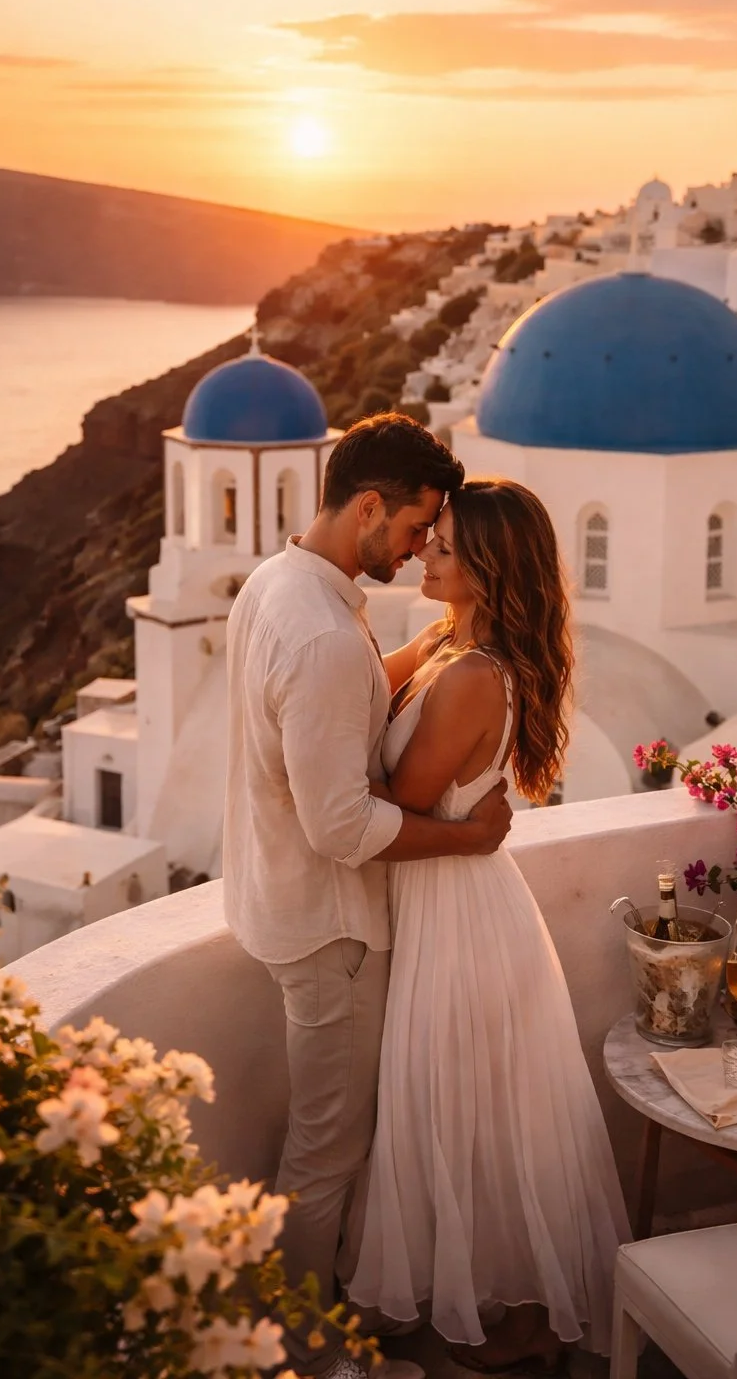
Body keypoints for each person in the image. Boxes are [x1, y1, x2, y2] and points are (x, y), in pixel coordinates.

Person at [222, 416, 514, 1379]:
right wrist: (469, 836)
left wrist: (431, 644)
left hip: (281, 905)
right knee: (326, 1155)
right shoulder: (321, 635)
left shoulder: (281, 583)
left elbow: (342, 711)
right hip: (332, 930)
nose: (420, 547)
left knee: (329, 1145)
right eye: (417, 526)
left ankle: (321, 1329)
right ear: (369, 507)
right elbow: (342, 827)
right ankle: (308, 1358)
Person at [341, 478, 631, 1372]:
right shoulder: (444, 642)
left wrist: (318, 774)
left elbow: (395, 804)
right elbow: (356, 693)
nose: (423, 553)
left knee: (464, 1109)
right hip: (450, 898)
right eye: (428, 538)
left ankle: (522, 1316)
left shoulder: (473, 676)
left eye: (444, 547)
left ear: (489, 568)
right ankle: (491, 1302)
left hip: (459, 916)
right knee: (460, 1108)